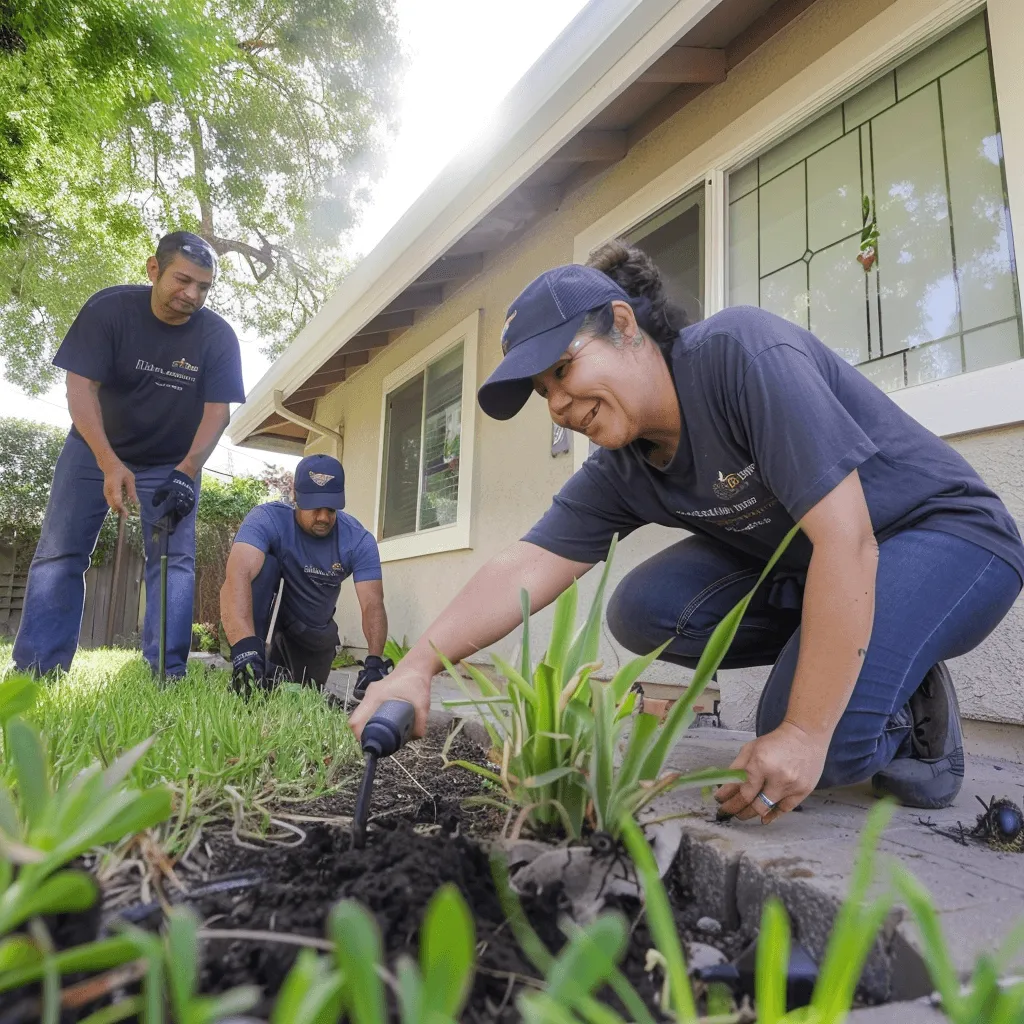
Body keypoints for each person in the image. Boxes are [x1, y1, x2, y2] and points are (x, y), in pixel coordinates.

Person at [351, 240, 1024, 820]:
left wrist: (802, 729)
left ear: (623, 324)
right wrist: (414, 670)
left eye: (563, 370)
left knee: (821, 740)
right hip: (832, 563)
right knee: (643, 610)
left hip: (951, 539)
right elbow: (524, 566)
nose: (557, 405)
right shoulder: (624, 465)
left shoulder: (739, 355)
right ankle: (873, 653)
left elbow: (847, 541)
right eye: (541, 394)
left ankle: (909, 706)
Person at [14, 232, 245, 679]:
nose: (192, 295)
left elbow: (218, 413)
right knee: (61, 552)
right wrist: (107, 460)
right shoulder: (110, 310)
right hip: (93, 448)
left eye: (204, 287)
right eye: (183, 280)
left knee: (172, 560)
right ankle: (37, 670)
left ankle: (166, 673)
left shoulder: (217, 337)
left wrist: (187, 470)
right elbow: (80, 389)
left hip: (173, 462)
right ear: (153, 269)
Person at [220, 454, 392, 698]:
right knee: (264, 567)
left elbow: (372, 603)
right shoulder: (267, 519)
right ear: (295, 498)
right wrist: (244, 650)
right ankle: (251, 658)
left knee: (305, 691)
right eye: (315, 507)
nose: (323, 517)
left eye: (331, 508)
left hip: (312, 633)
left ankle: (277, 671)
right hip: (270, 618)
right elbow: (237, 575)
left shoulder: (358, 541)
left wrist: (374, 661)